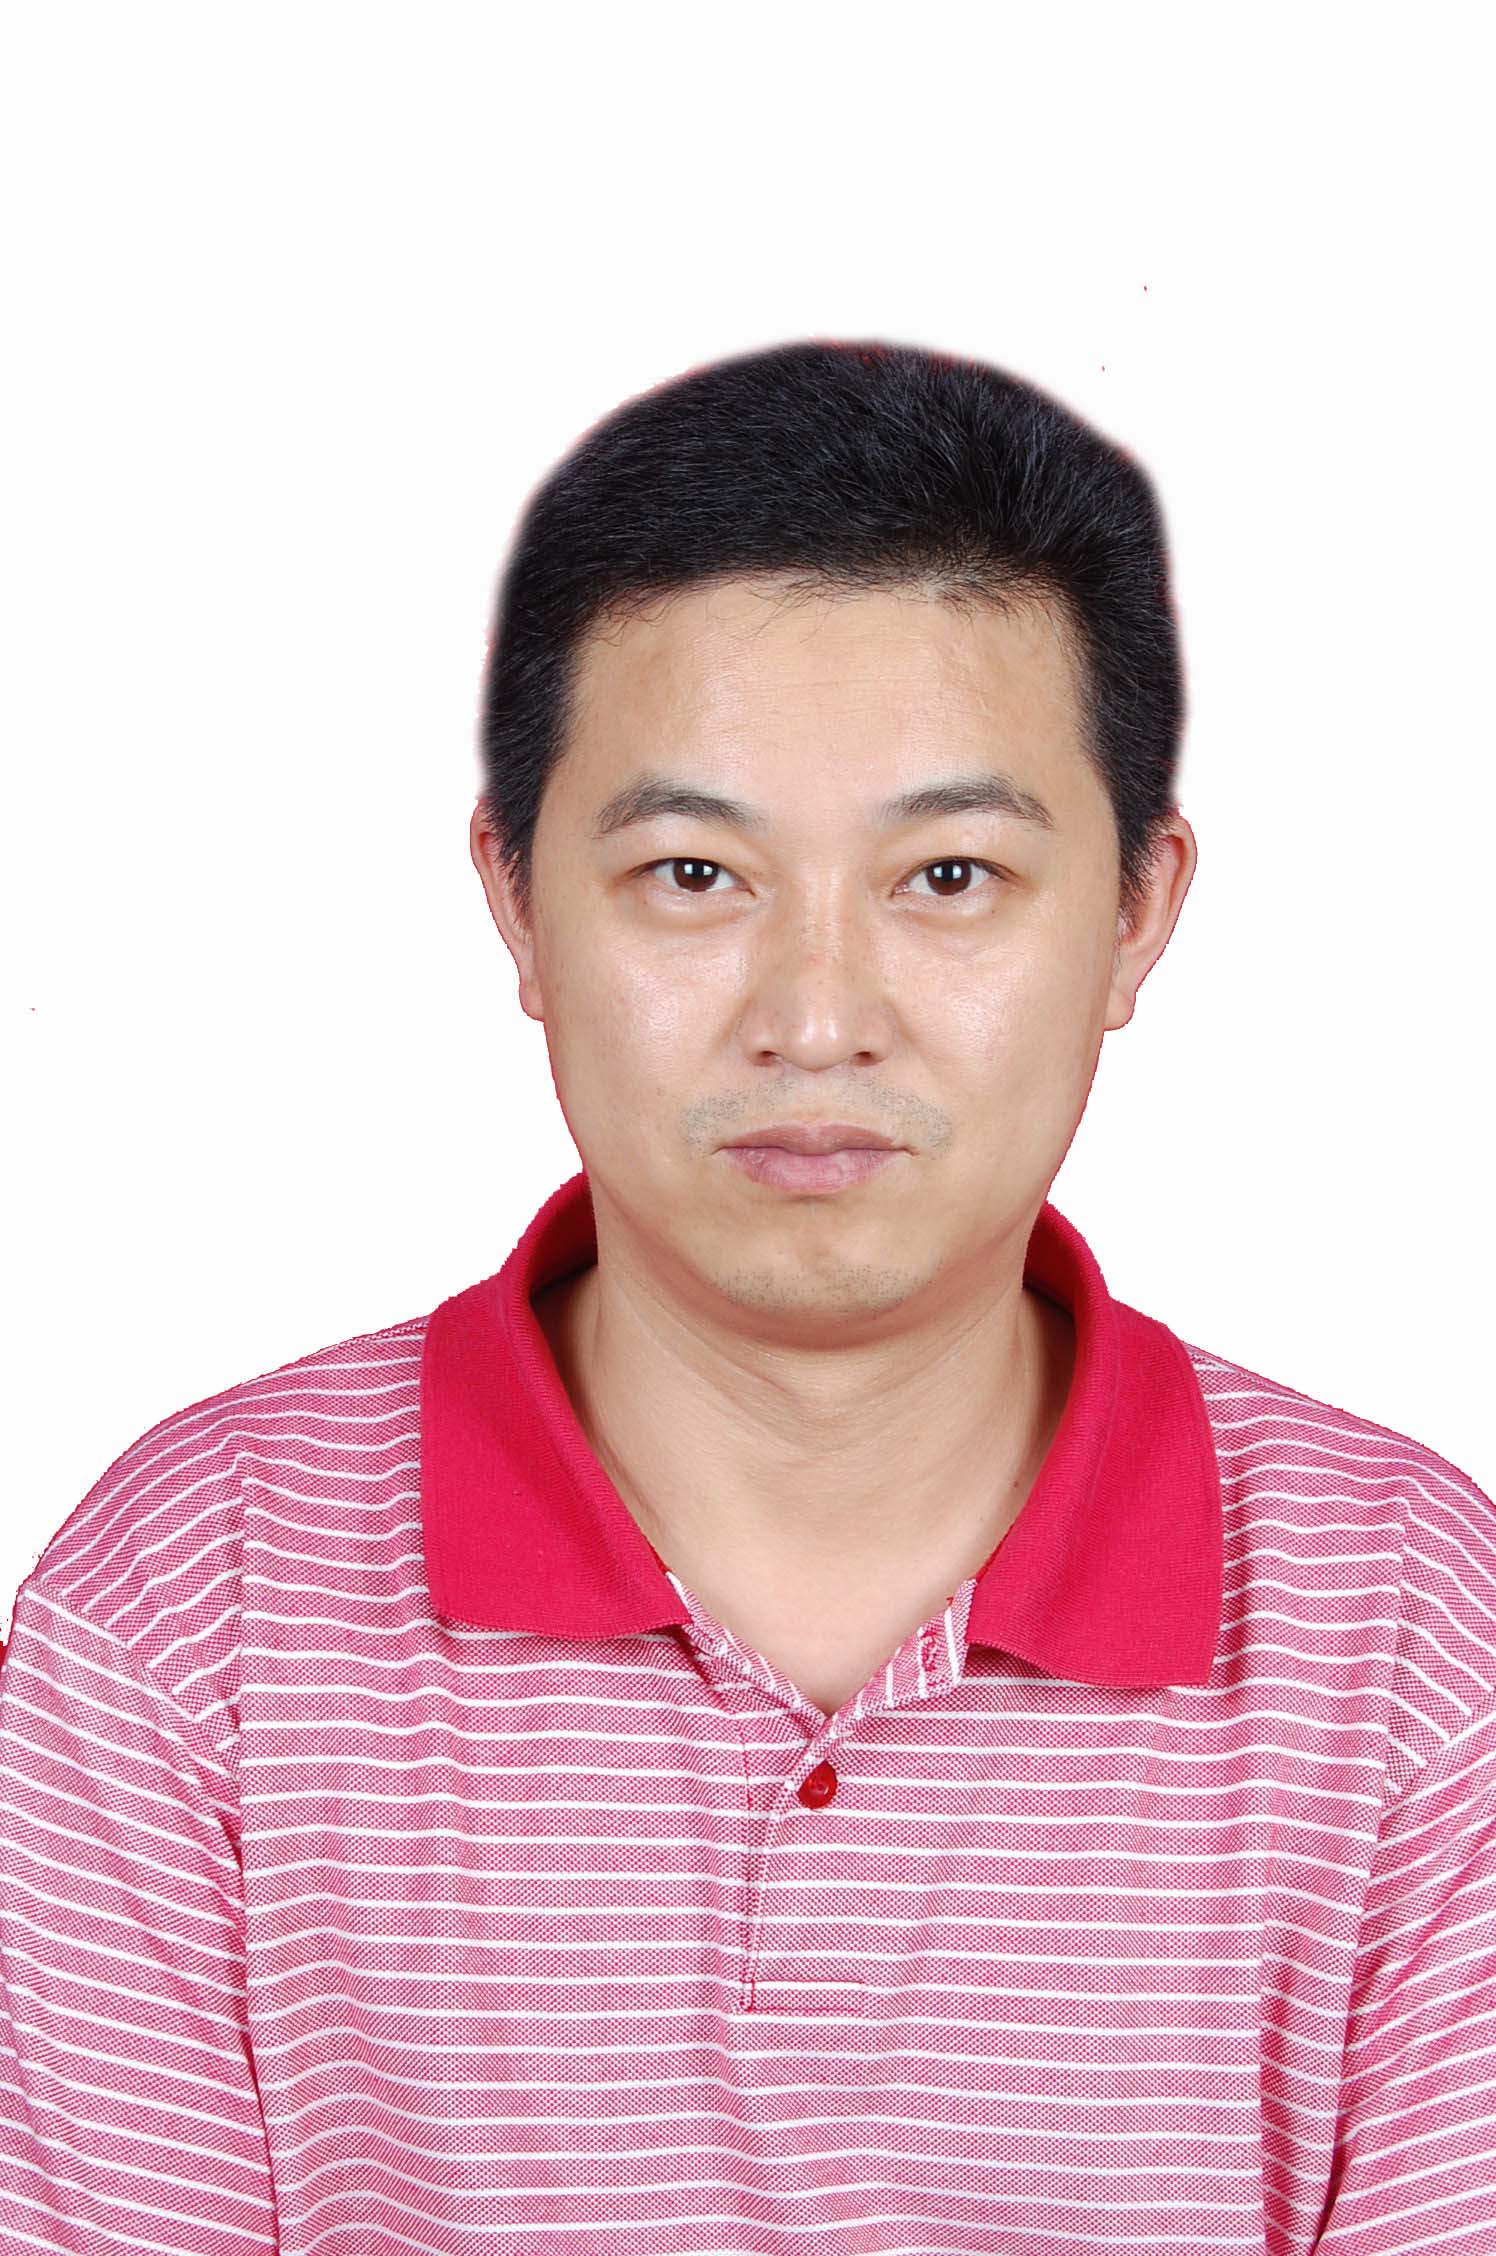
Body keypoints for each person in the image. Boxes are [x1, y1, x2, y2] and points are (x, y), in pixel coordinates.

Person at [2, 338, 1491, 2256]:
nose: (816, 1018)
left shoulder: (1411, 1641)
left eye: (949, 876)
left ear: (1138, 912)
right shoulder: (192, 1603)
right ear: (517, 901)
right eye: (696, 871)